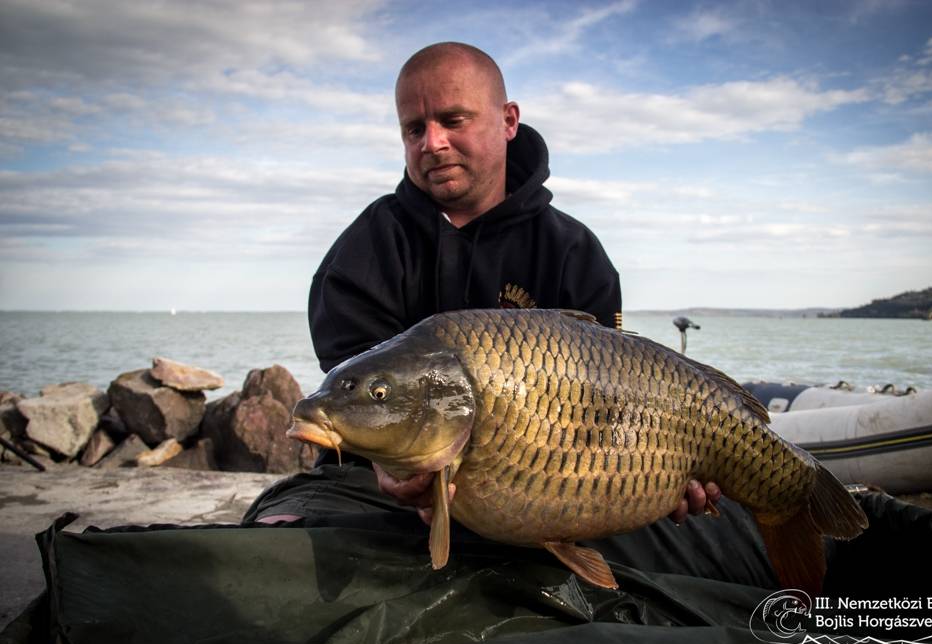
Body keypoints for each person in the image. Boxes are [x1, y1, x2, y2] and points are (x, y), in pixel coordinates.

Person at [245, 42, 719, 531]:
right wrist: (389, 468)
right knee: (277, 531)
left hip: (554, 487)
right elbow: (362, 404)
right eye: (414, 129)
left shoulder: (575, 254)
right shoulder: (369, 248)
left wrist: (653, 475)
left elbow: (616, 417)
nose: (431, 143)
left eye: (453, 120)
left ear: (508, 121)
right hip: (370, 486)